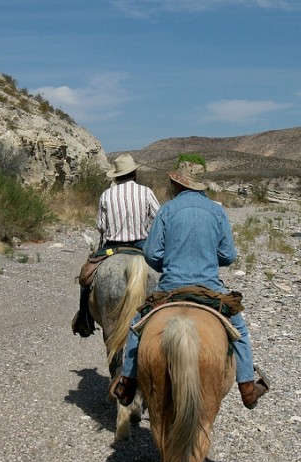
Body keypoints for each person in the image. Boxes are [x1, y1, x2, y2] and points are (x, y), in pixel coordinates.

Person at [110, 160, 270, 408]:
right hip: (210, 288)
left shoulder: (167, 210)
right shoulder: (217, 211)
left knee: (137, 324)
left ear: (177, 183)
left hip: (171, 287)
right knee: (239, 329)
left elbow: (152, 254)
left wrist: (173, 262)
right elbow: (228, 255)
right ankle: (248, 389)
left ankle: (128, 385)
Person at [71, 154, 160, 336]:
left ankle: (85, 319)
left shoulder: (106, 195)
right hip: (142, 246)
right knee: (166, 276)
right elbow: (158, 219)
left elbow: (101, 226)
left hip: (112, 247)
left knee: (86, 277)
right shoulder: (146, 192)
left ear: (116, 176)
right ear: (134, 173)